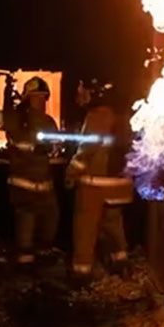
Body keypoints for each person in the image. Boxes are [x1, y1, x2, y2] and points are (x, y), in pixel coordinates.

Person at [0, 73, 59, 267]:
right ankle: (25, 266)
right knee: (26, 223)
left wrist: (50, 147)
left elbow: (55, 147)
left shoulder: (48, 122)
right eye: (37, 97)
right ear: (28, 99)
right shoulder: (15, 118)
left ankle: (41, 261)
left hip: (44, 186)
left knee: (50, 223)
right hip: (23, 183)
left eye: (44, 97)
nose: (41, 101)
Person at [65, 79, 134, 283]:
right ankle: (121, 263)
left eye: (82, 88)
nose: (79, 93)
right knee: (113, 224)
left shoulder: (97, 115)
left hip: (95, 184)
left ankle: (81, 272)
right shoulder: (122, 115)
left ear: (94, 92)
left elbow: (86, 150)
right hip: (118, 184)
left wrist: (71, 173)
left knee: (85, 227)